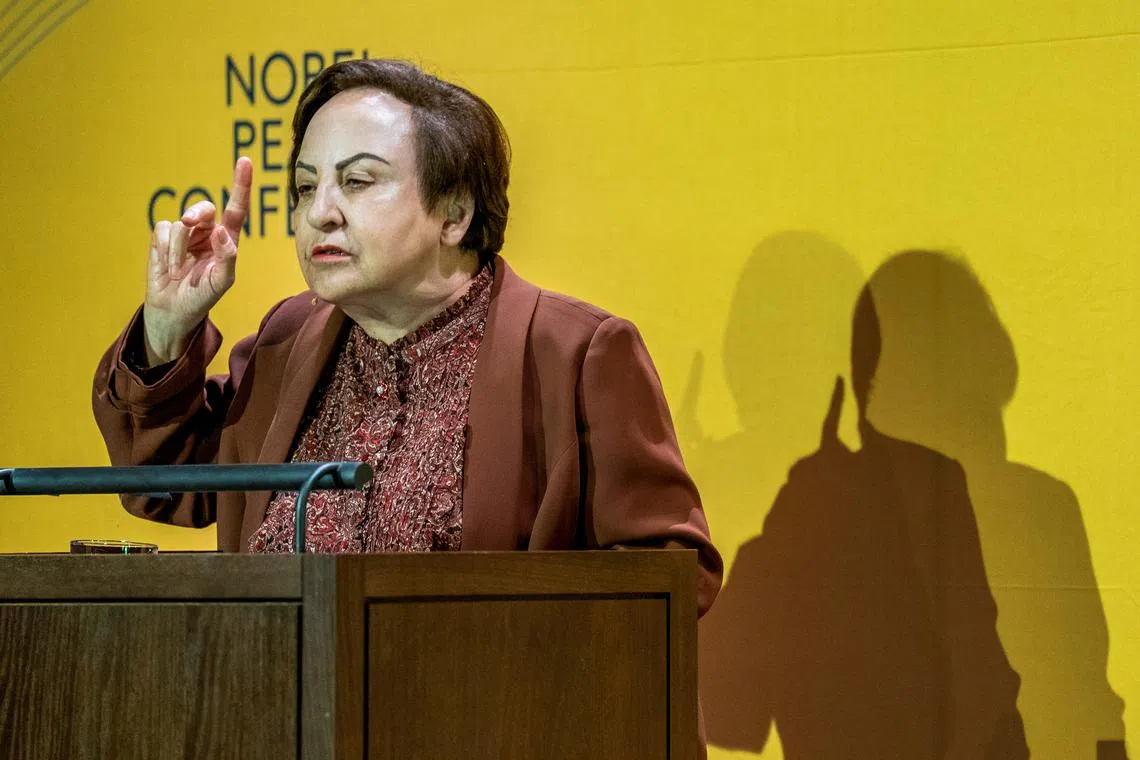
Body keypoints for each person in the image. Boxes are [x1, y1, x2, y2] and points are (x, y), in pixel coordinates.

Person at [91, 58, 721, 616]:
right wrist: (167, 332)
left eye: (358, 182)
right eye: (307, 187)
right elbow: (165, 487)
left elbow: (670, 581)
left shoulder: (576, 355)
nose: (319, 212)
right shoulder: (286, 343)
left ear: (455, 212)